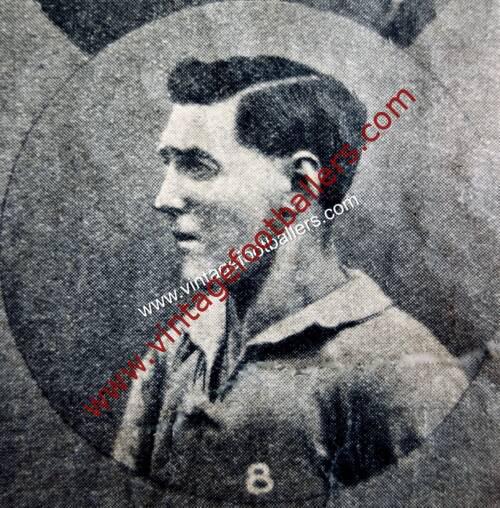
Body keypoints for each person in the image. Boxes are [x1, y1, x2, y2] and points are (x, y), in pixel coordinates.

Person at [113, 56, 467, 503]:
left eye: (198, 166)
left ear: (301, 185)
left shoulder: (406, 374)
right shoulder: (180, 345)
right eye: (168, 163)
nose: (164, 198)